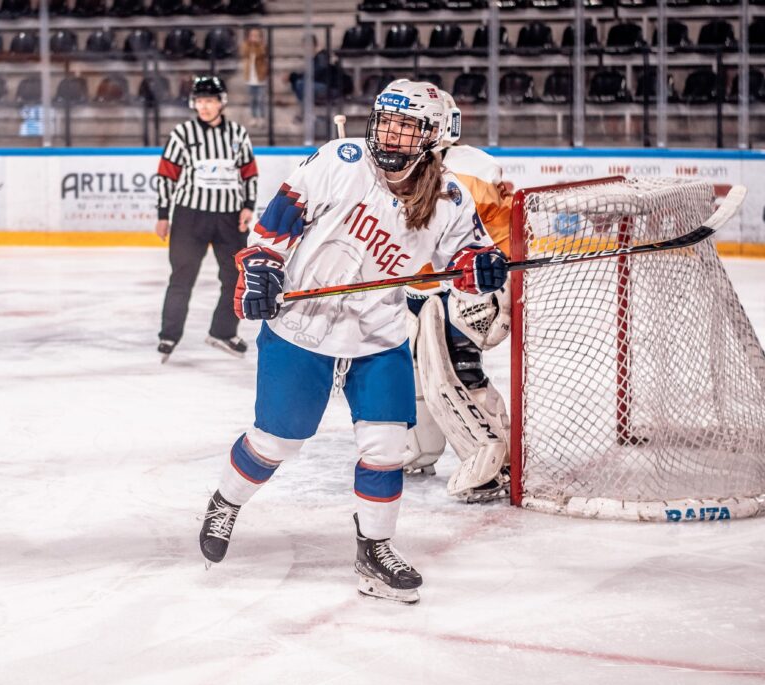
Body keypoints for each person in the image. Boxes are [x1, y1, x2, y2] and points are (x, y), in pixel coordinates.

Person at [197, 80, 509, 604]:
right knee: (275, 443)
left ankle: (374, 552)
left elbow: (468, 263)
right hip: (304, 321)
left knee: (387, 448)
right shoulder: (342, 161)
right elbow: (274, 226)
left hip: (378, 331)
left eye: (407, 126)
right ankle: (226, 501)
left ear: (435, 137)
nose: (391, 133)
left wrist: (482, 268)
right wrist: (261, 270)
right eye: (386, 120)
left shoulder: (450, 197)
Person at [401, 91, 516, 504]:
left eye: (416, 124)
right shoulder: (397, 164)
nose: (404, 132)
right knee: (415, 374)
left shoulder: (472, 168)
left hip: (463, 289)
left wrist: (495, 289)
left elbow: (497, 239)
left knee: (455, 373)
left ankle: (491, 463)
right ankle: (419, 448)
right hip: (418, 290)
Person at [154, 75, 258, 362]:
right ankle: (169, 335)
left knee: (235, 276)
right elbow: (166, 176)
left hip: (229, 217)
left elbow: (248, 174)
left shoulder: (238, 134)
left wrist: (248, 206)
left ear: (221, 102)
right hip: (190, 217)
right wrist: (163, 214)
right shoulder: (182, 134)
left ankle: (223, 331)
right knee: (182, 277)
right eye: (200, 101)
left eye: (209, 100)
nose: (204, 106)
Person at [240, 27, 269, 125]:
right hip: (250, 77)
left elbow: (261, 53)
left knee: (260, 99)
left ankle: (261, 117)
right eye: (252, 36)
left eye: (256, 36)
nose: (254, 38)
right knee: (252, 99)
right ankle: (253, 116)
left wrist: (258, 44)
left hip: (260, 78)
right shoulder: (247, 46)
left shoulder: (262, 46)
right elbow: (243, 52)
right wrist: (250, 43)